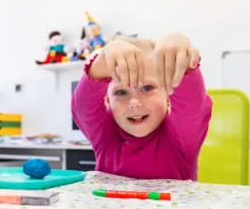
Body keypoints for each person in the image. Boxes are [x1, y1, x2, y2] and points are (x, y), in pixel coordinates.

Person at [71, 34, 212, 180]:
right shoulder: (106, 137)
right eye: (121, 92)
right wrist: (100, 64)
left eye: (147, 88)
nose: (133, 103)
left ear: (169, 98)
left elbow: (192, 105)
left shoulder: (181, 140)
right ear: (108, 101)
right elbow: (83, 108)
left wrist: (182, 61)